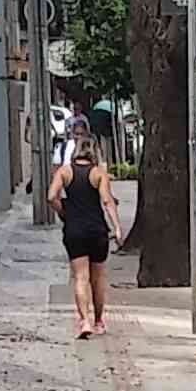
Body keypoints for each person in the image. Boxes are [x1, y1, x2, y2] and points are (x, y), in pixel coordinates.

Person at [51, 128, 121, 336]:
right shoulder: (98, 173)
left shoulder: (64, 172)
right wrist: (117, 227)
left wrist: (63, 211)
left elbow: (51, 196)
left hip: (74, 230)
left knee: (80, 277)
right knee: (97, 278)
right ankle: (99, 321)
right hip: (97, 230)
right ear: (94, 151)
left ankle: (84, 321)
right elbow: (107, 201)